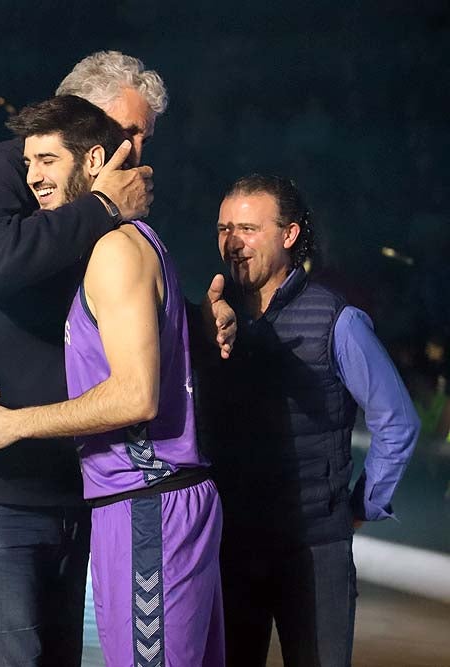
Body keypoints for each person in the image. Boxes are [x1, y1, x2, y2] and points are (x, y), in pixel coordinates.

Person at [0, 51, 232, 666]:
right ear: (83, 127)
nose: (135, 152)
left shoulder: (102, 214)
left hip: (69, 475)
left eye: (142, 137)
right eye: (124, 132)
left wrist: (197, 327)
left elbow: (119, 301)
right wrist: (100, 206)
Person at [193, 175, 420, 666]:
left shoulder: (338, 320)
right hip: (232, 546)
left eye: (249, 228)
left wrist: (362, 505)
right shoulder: (209, 319)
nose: (232, 242)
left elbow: (397, 422)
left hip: (313, 551)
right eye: (224, 228)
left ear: (289, 234)